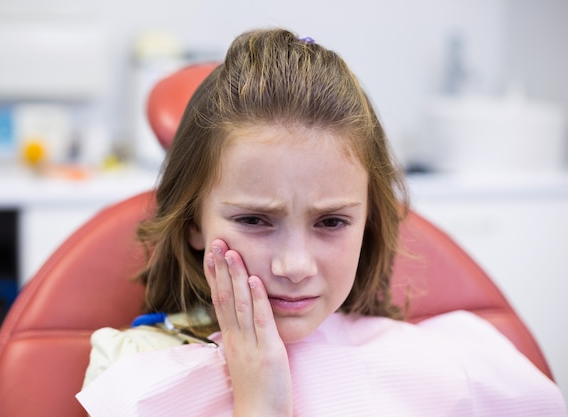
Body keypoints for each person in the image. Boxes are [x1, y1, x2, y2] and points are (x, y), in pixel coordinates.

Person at [77, 28, 566, 416]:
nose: (294, 265)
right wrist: (260, 402)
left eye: (331, 222)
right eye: (254, 219)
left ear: (369, 221)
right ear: (193, 222)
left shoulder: (451, 357)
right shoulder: (132, 369)